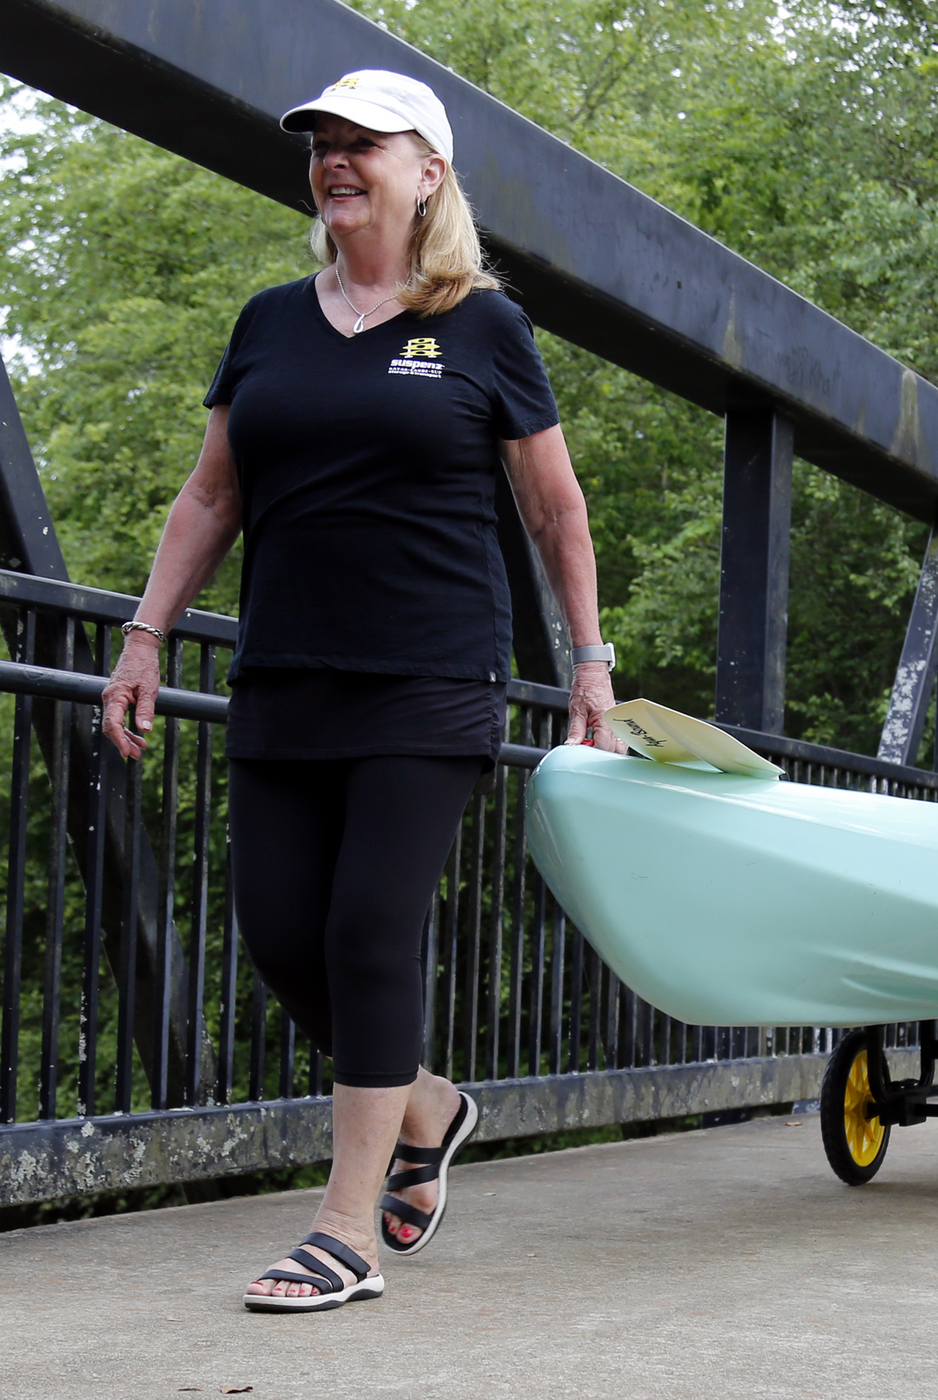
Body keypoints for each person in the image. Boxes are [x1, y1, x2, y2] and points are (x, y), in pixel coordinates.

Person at [100, 69, 625, 1313]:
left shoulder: (483, 326)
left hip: (432, 674)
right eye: (321, 146)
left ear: (428, 172)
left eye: (362, 145)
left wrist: (588, 663)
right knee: (284, 937)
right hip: (285, 671)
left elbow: (555, 507)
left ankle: (345, 1231)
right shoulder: (270, 320)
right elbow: (213, 493)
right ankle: (431, 1106)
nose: (334, 161)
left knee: (366, 931)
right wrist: (143, 635)